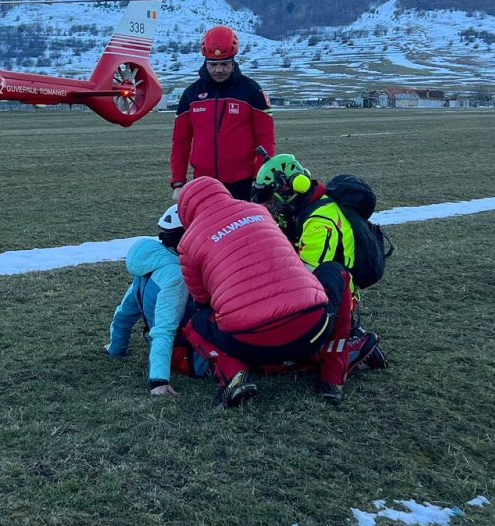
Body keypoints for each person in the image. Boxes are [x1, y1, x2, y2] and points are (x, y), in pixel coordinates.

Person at [174, 175, 371, 406]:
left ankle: (233, 373)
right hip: (312, 326)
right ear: (223, 192)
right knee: (337, 272)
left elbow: (202, 300)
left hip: (249, 344)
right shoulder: (258, 211)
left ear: (185, 211)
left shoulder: (188, 242)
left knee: (195, 325)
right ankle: (333, 376)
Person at [251, 155, 389, 368]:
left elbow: (306, 280)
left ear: (289, 190)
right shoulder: (307, 211)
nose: (267, 205)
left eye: (270, 198)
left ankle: (350, 344)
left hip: (333, 301)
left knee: (282, 351)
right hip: (331, 294)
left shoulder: (319, 222)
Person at [105, 204, 210, 397]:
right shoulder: (176, 276)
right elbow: (164, 329)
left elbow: (124, 314)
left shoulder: (150, 263)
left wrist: (116, 348)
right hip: (190, 354)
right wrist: (159, 381)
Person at [170, 26, 276, 202]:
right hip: (204, 184)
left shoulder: (252, 91)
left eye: (224, 64)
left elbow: (266, 140)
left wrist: (260, 179)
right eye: (213, 65)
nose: (219, 70)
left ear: (233, 62)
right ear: (205, 63)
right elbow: (180, 143)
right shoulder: (191, 94)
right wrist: (178, 183)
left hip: (244, 184)